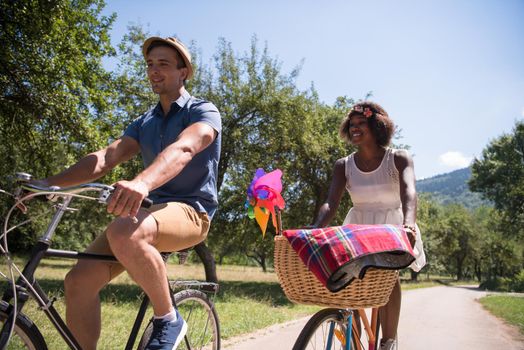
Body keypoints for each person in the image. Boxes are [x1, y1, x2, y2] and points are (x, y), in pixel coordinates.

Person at [34, 36, 222, 350]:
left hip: (192, 212)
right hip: (148, 212)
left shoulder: (202, 111)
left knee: (124, 229)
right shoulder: (144, 122)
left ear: (183, 72)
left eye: (163, 64)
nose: (154, 71)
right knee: (78, 282)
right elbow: (109, 156)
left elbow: (185, 148)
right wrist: (50, 184)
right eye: (150, 64)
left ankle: (168, 319)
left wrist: (142, 183)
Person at [312, 101, 425, 350]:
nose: (355, 128)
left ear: (377, 126)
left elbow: (409, 192)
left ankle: (388, 341)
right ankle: (353, 341)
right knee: (350, 281)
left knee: (388, 278)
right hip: (358, 226)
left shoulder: (398, 158)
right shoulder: (344, 165)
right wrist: (315, 229)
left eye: (361, 123)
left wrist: (409, 224)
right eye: (352, 124)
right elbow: (331, 204)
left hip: (392, 226)